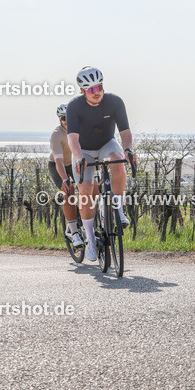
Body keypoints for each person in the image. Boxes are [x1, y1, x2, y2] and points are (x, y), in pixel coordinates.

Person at [66, 66, 136, 261]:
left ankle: (119, 210)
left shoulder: (115, 102)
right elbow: (72, 138)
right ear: (82, 91)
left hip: (106, 144)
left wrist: (128, 149)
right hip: (83, 150)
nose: (96, 92)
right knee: (86, 189)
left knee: (117, 161)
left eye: (98, 87)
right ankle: (89, 239)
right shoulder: (74, 106)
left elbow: (125, 132)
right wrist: (79, 157)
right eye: (90, 90)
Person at [49, 105, 84, 247]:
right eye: (64, 119)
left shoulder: (80, 130)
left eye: (69, 118)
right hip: (59, 165)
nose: (67, 121)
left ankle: (84, 221)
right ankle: (74, 233)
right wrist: (65, 179)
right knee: (69, 191)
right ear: (60, 119)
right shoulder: (57, 134)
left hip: (75, 163)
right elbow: (58, 161)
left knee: (87, 189)